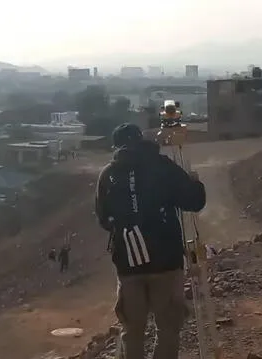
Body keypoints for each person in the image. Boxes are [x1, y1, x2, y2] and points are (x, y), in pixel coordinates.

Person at [95, 123, 206, 359]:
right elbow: (194, 201)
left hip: (128, 264)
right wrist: (195, 182)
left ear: (117, 146)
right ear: (142, 140)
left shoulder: (108, 174)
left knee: (132, 329)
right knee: (168, 328)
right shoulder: (163, 167)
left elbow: (104, 219)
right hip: (166, 262)